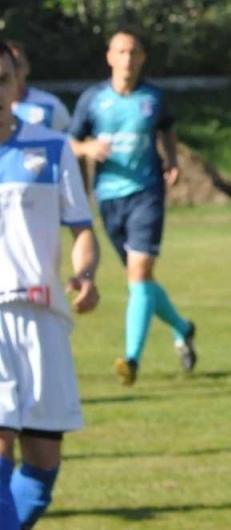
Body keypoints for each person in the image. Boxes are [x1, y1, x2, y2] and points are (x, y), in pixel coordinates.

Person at [0, 42, 101, 530]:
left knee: (41, 465)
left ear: (17, 84)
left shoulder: (52, 147)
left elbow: (81, 228)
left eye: (2, 79)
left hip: (42, 319)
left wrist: (85, 275)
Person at [66, 30, 196, 386]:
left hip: (147, 194)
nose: (127, 59)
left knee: (138, 275)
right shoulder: (93, 99)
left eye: (133, 52)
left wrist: (170, 160)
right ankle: (183, 329)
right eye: (120, 52)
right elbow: (71, 143)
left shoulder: (153, 98)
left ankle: (131, 359)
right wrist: (88, 150)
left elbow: (167, 129)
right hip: (109, 198)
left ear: (142, 58)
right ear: (109, 57)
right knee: (143, 282)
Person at [3, 43, 69, 133]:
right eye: (7, 67)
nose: (14, 72)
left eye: (17, 65)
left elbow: (69, 142)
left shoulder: (50, 106)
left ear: (28, 68)